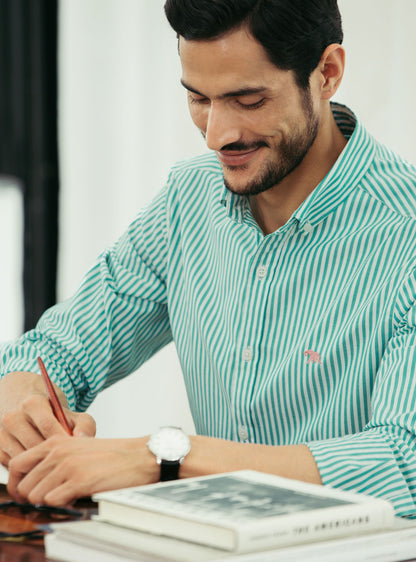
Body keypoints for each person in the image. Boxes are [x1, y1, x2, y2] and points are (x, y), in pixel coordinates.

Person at [1, 0, 416, 516]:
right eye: (199, 98)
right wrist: (22, 397)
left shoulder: (407, 234)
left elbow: (405, 464)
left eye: (248, 99)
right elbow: (59, 351)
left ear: (327, 73)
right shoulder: (187, 199)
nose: (218, 135)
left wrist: (166, 457)